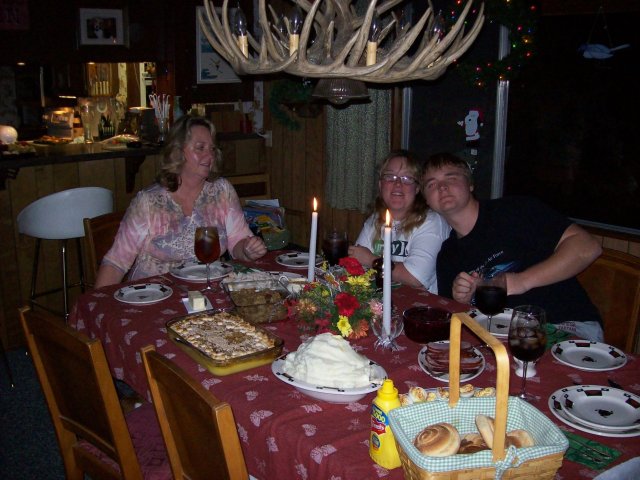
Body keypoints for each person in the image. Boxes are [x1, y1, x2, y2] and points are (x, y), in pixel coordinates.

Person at [421, 152, 604, 341]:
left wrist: (521, 281)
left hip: (564, 325)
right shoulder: (447, 255)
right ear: (426, 199)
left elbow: (588, 247)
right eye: (431, 184)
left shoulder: (515, 211)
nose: (442, 187)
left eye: (451, 178)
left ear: (470, 184)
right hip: (499, 337)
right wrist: (462, 300)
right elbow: (458, 319)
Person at [95, 115, 266, 288]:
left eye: (212, 149)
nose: (209, 155)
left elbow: (238, 242)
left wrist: (247, 249)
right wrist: (98, 306)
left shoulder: (222, 191)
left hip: (207, 291)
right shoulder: (149, 202)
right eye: (200, 148)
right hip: (154, 297)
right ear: (178, 152)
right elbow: (116, 262)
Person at [348, 150, 450, 292]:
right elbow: (355, 265)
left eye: (407, 178)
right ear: (380, 184)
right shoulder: (376, 219)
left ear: (417, 188)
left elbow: (414, 278)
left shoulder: (432, 222)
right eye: (390, 177)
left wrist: (372, 260)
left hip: (420, 308)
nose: (397, 184)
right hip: (380, 302)